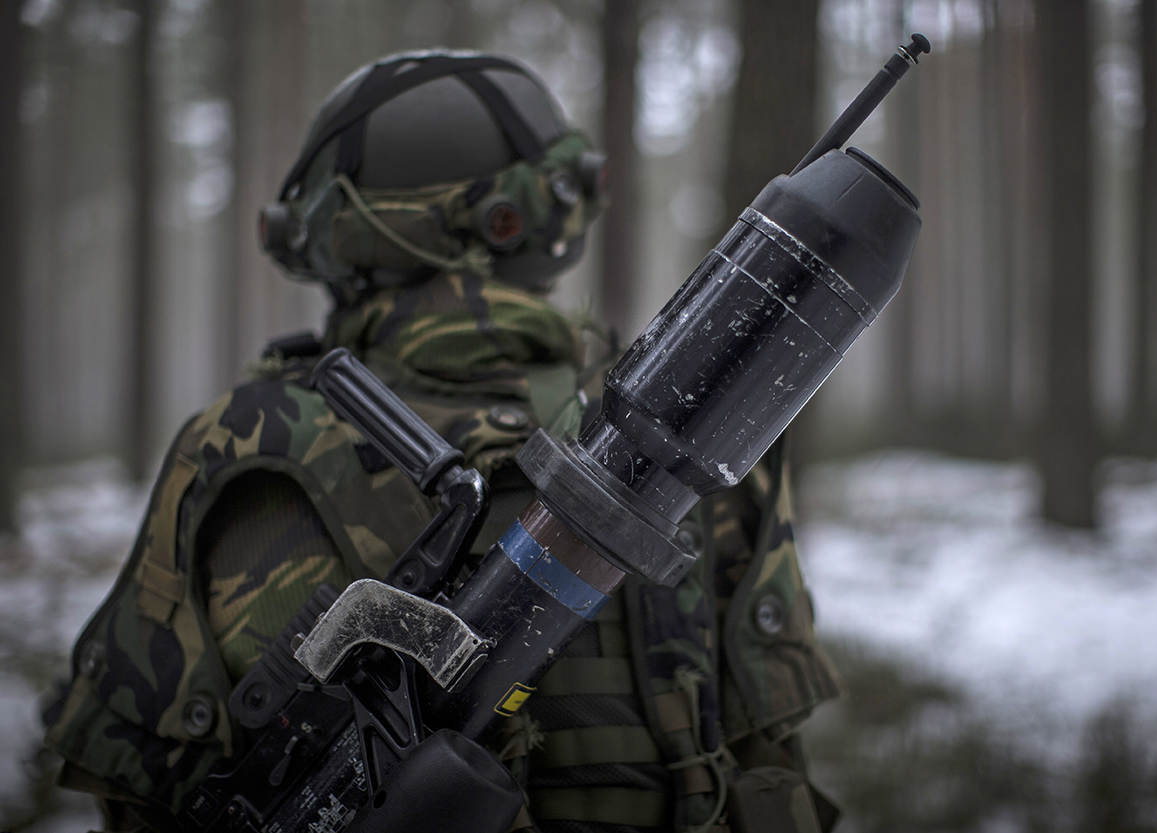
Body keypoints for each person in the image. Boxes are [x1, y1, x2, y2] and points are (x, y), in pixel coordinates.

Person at [42, 50, 840, 833]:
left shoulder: (239, 447)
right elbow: (771, 761)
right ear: (546, 218)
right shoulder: (698, 429)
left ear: (334, 235)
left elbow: (137, 794)